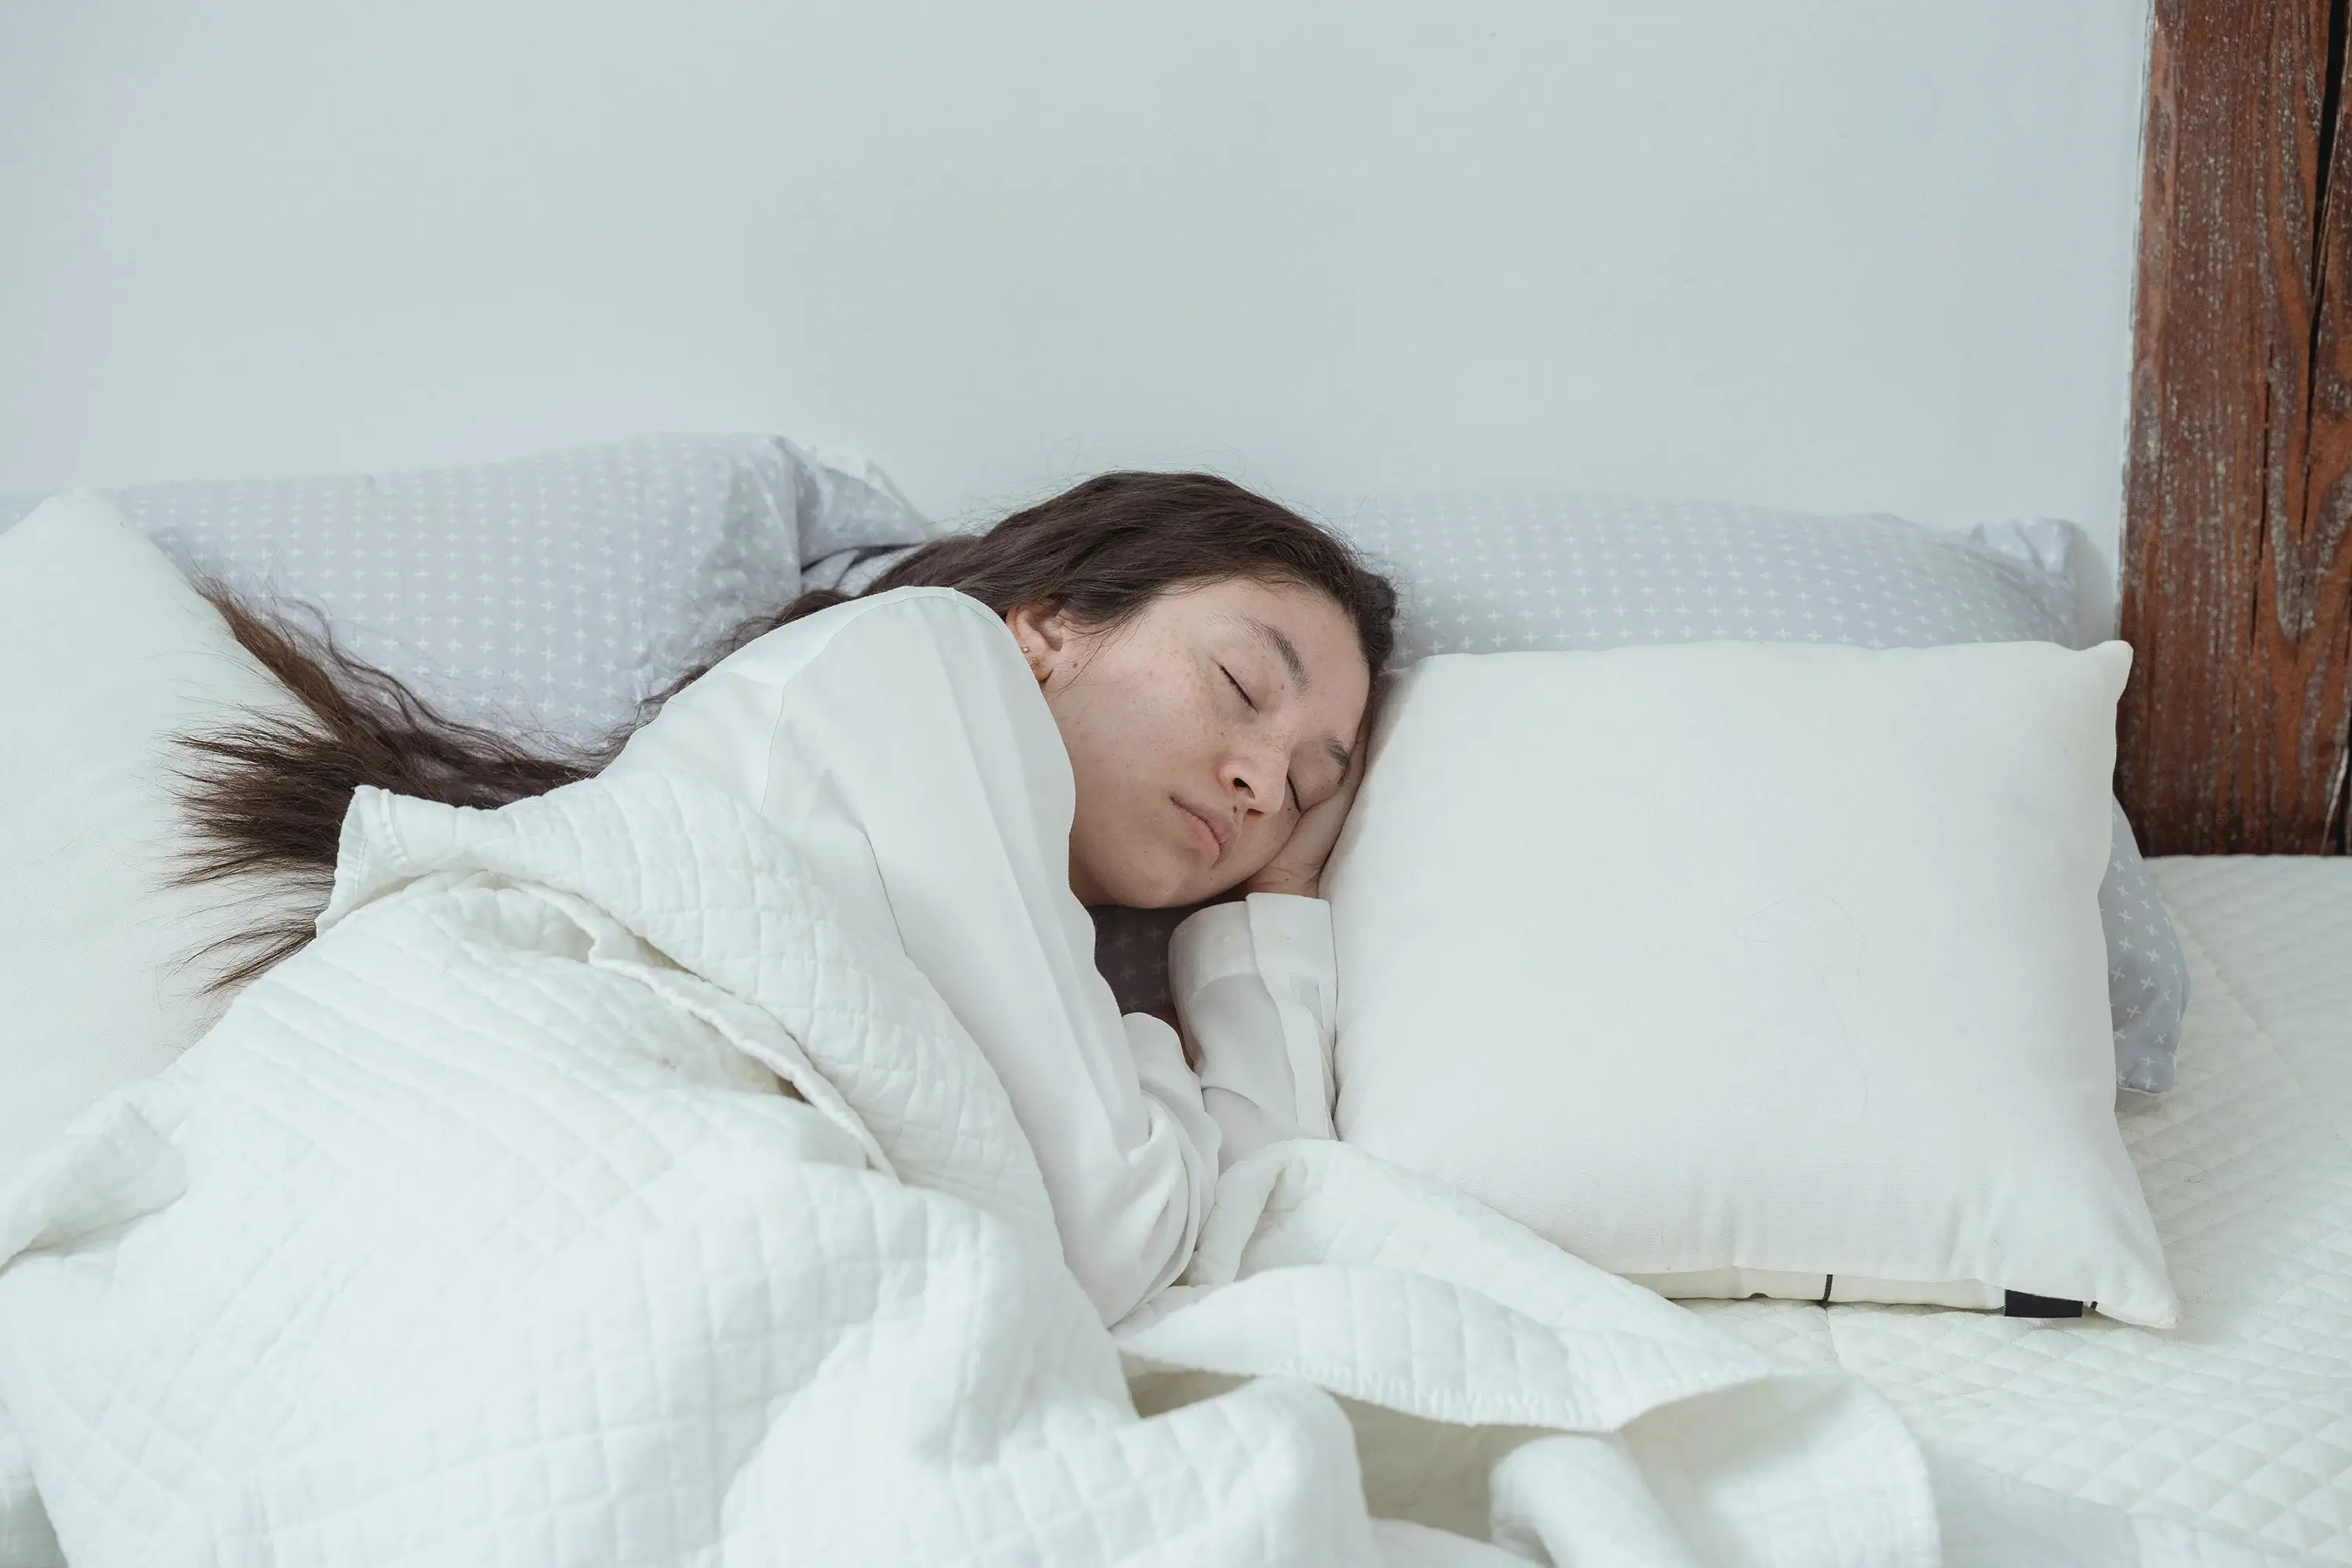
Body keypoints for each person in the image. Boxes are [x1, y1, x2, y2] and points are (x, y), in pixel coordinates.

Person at [176, 470, 1396, 1323]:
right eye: (1242, 683)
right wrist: (1150, 1047)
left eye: (1306, 788)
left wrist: (1273, 910)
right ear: (1050, 628)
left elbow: (1264, 1238)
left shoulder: (1025, 931)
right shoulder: (927, 656)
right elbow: (1116, 1234)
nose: (1258, 784)